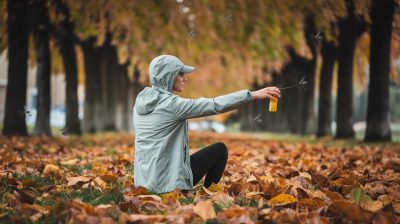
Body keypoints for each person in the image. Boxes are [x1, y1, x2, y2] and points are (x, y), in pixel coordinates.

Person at [133, 55, 281, 194]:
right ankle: (211, 193)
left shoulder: (142, 103)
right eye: (180, 74)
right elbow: (215, 105)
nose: (185, 79)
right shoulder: (172, 105)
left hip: (144, 183)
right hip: (166, 186)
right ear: (168, 77)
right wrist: (252, 95)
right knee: (220, 149)